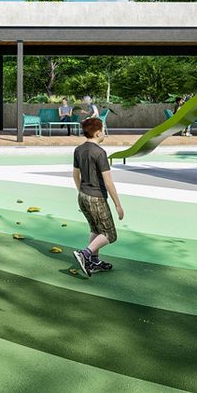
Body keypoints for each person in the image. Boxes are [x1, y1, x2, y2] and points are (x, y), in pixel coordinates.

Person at [72, 117, 124, 277]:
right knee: (109, 234)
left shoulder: (78, 150)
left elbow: (75, 175)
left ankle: (93, 261)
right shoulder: (100, 153)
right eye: (103, 130)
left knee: (96, 229)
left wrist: (82, 191)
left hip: (82, 196)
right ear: (97, 133)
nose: (104, 133)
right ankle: (85, 254)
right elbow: (108, 182)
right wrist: (118, 205)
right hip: (97, 197)